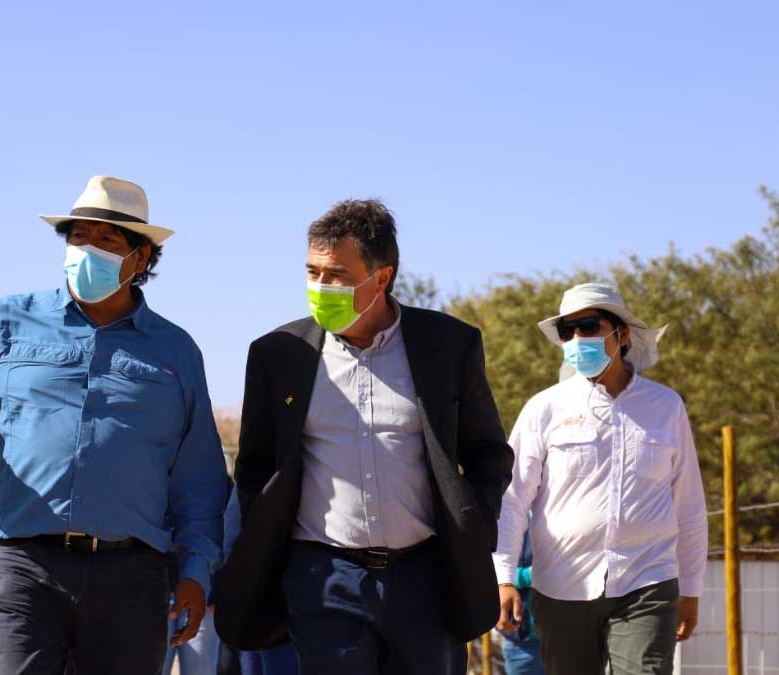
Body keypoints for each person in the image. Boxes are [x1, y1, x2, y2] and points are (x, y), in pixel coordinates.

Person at [0, 176, 230, 674]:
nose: (87, 250)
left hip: (131, 579)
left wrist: (194, 571)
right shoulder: (5, 322)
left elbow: (199, 477)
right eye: (78, 236)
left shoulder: (176, 352)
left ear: (141, 259)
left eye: (107, 241)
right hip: (22, 567)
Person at [215, 199, 514, 675]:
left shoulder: (448, 346)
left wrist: (473, 525)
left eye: (336, 275)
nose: (319, 287)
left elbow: (488, 453)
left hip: (427, 579)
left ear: (381, 278)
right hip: (324, 578)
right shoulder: (277, 355)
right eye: (312, 271)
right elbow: (256, 467)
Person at [494, 283, 708, 675]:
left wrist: (691, 588)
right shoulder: (544, 408)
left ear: (622, 334)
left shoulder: (666, 407)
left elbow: (690, 506)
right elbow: (511, 500)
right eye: (567, 331)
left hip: (647, 581)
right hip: (560, 585)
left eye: (589, 326)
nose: (577, 339)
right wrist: (504, 578)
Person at [497, 528, 542, 675]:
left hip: (562, 638)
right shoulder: (505, 519)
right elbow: (488, 569)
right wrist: (528, 576)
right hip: (520, 643)